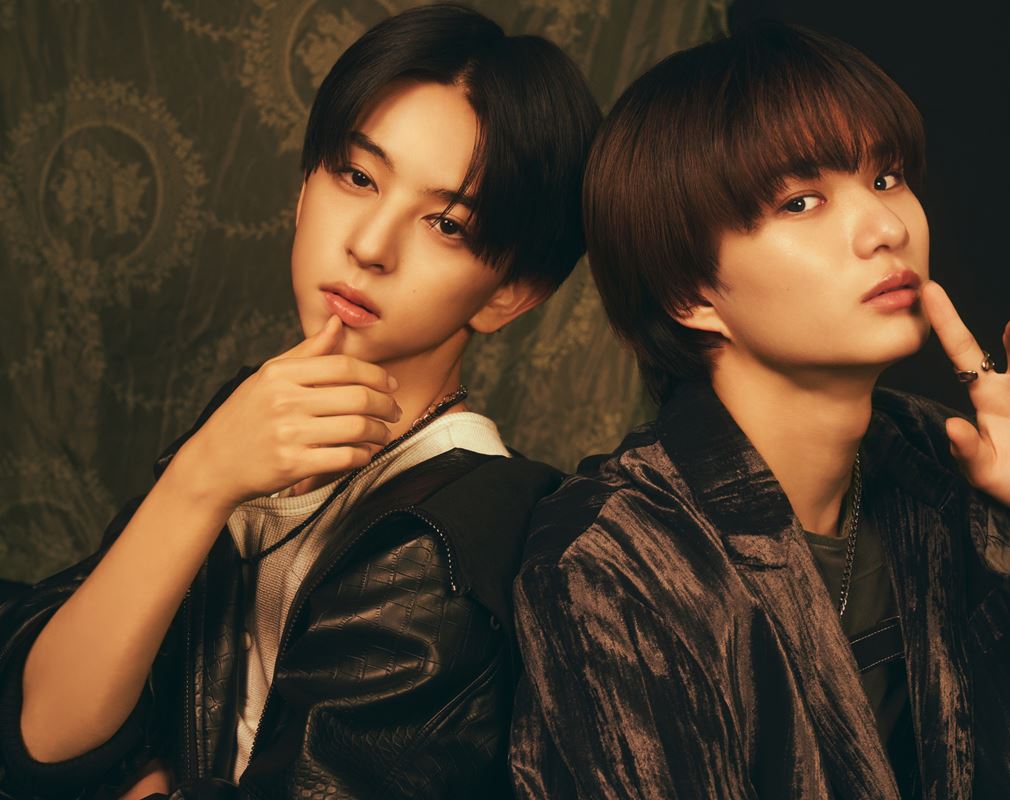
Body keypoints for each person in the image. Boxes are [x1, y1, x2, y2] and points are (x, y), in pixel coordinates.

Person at [509, 20, 1010, 800]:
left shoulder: (945, 464)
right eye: (801, 201)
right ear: (690, 293)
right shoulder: (613, 562)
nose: (888, 229)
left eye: (886, 178)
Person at [0, 4, 600, 798]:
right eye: (357, 177)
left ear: (510, 294)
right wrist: (200, 478)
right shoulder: (258, 415)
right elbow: (43, 732)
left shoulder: (447, 542)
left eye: (447, 223)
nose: (370, 245)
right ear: (304, 186)